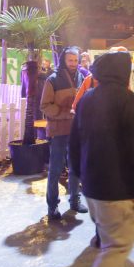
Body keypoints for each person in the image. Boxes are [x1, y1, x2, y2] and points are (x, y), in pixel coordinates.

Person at [69, 51, 134, 267]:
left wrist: (79, 175)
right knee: (117, 246)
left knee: (107, 238)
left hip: (92, 187)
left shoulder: (87, 98)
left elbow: (74, 142)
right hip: (116, 189)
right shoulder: (127, 100)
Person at [41, 47, 85, 219]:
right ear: (63, 60)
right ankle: (52, 206)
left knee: (75, 168)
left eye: (75, 60)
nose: (73, 63)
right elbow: (44, 106)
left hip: (76, 130)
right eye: (70, 60)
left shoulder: (81, 77)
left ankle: (75, 200)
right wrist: (65, 113)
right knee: (56, 169)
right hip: (59, 131)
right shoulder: (53, 79)